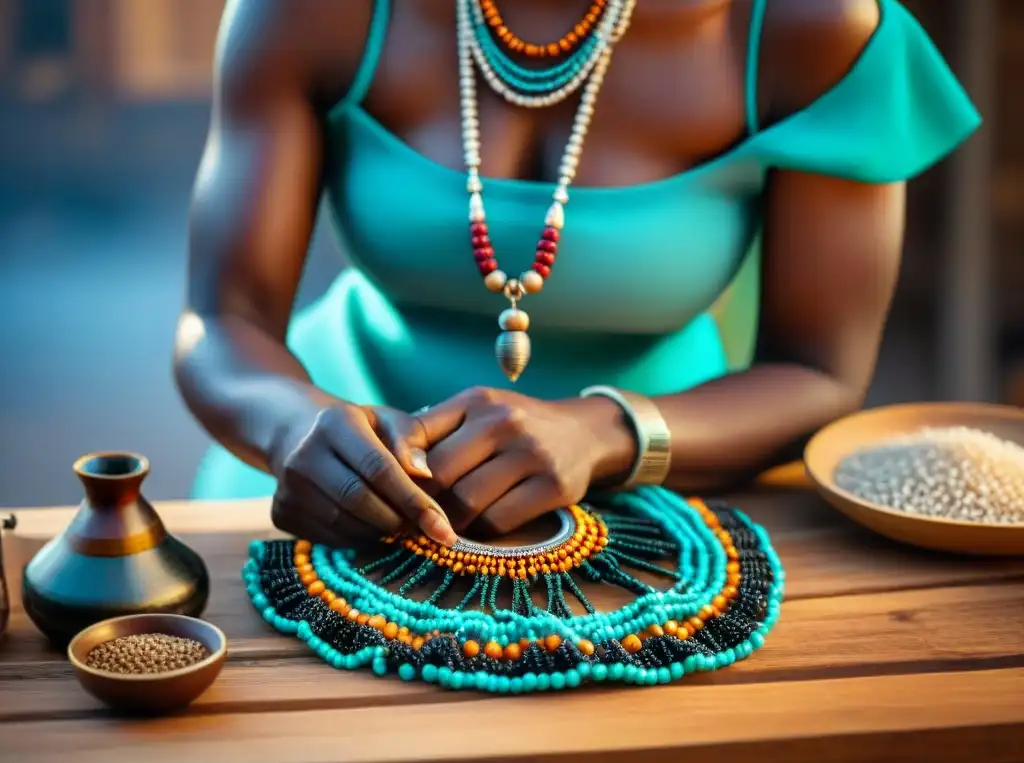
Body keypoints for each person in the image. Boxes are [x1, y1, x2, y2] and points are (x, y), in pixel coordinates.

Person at [174, 0, 980, 549]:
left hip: (668, 497)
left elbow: (818, 372)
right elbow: (223, 321)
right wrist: (292, 428)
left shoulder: (807, 24)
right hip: (335, 487)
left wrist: (607, 432)